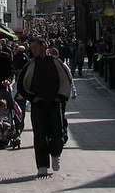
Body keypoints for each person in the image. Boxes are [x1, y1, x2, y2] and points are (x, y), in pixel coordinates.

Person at [17, 39, 73, 177]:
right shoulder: (31, 64)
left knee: (57, 133)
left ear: (44, 46)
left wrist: (60, 96)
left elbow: (66, 80)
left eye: (36, 46)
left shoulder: (56, 62)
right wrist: (32, 97)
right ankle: (42, 165)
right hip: (39, 104)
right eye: (32, 47)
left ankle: (55, 153)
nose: (33, 50)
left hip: (54, 103)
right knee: (39, 135)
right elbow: (21, 84)